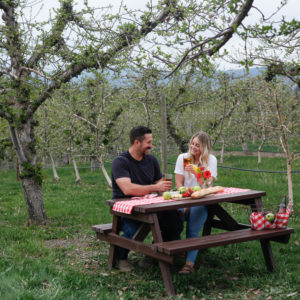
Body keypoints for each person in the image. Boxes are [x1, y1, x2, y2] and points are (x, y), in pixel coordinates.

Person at [111, 125, 183, 271]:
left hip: (151, 205)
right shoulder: (121, 162)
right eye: (148, 142)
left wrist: (163, 187)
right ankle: (121, 256)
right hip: (127, 208)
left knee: (175, 219)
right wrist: (155, 187)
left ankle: (155, 255)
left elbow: (158, 182)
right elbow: (128, 189)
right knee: (134, 232)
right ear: (137, 142)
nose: (151, 146)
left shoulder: (151, 160)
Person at [174, 131, 217, 274]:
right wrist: (186, 199)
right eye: (192, 143)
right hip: (185, 197)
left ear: (204, 147)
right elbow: (179, 184)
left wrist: (197, 172)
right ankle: (179, 249)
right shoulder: (184, 158)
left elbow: (207, 187)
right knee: (174, 216)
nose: (193, 147)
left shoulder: (210, 160)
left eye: (197, 145)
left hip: (202, 199)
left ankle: (189, 264)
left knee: (193, 224)